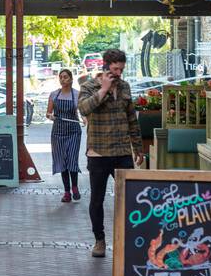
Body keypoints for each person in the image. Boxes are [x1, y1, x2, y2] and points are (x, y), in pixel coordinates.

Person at [77, 47, 144, 260]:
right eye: (115, 69)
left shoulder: (124, 87)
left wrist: (138, 147)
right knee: (97, 199)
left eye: (121, 69)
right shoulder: (88, 86)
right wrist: (103, 90)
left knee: (130, 198)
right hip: (98, 152)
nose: (118, 73)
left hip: (122, 150)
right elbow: (84, 109)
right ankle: (99, 240)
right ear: (105, 66)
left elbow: (131, 118)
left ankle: (129, 238)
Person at [46, 68, 83, 204]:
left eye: (66, 77)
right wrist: (51, 116)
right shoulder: (54, 95)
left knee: (72, 160)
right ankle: (66, 192)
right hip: (58, 133)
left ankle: (75, 187)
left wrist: (85, 119)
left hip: (74, 131)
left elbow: (83, 111)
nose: (63, 79)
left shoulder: (77, 94)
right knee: (62, 162)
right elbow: (48, 113)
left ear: (71, 79)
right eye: (61, 77)